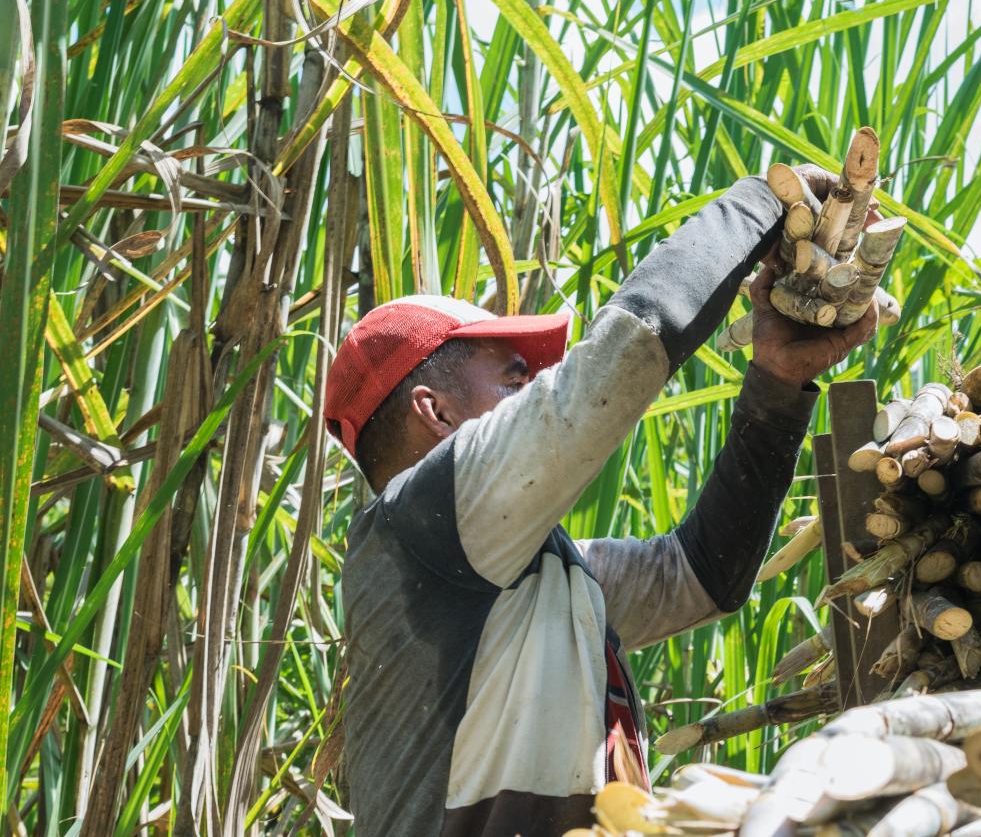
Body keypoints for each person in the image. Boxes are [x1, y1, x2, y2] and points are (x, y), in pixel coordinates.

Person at [323, 168, 878, 836]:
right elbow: (612, 366)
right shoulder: (416, 522)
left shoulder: (533, 584)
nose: (537, 390)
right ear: (434, 411)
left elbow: (704, 575)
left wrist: (777, 383)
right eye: (515, 380)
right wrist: (761, 202)